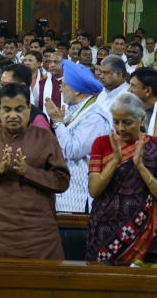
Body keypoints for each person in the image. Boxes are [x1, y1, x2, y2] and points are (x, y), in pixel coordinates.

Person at [0, 82, 69, 261]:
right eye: (6, 109)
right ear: (0, 111)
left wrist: (28, 172)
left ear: (29, 108)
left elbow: (62, 180)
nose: (13, 115)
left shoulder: (44, 137)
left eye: (19, 109)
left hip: (37, 237)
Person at [86, 92, 157, 267]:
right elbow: (94, 190)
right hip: (104, 234)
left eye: (127, 122)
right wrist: (115, 160)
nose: (120, 128)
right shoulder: (103, 144)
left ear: (142, 120)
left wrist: (141, 167)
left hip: (150, 238)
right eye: (116, 122)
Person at [45, 60, 111, 212]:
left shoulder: (94, 117)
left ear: (77, 91)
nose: (60, 89)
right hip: (67, 191)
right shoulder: (73, 110)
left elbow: (73, 151)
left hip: (80, 197)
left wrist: (58, 123)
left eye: (64, 85)